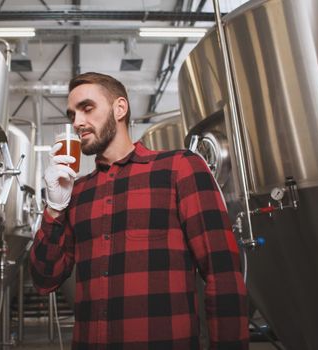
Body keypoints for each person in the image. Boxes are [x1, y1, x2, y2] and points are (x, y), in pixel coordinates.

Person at [30, 72, 249, 349]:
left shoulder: (179, 168)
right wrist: (54, 209)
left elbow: (223, 275)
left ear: (119, 108)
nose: (78, 123)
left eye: (87, 108)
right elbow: (44, 280)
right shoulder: (79, 192)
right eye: (73, 114)